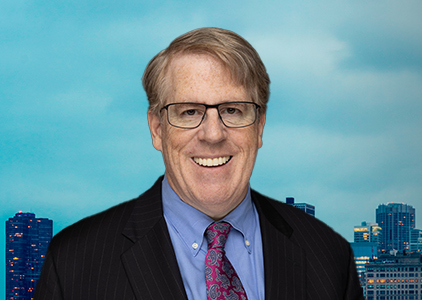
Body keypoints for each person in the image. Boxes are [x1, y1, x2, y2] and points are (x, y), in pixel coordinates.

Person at [35, 27, 363, 300]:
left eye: (233, 110)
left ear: (259, 126)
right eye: (189, 112)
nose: (212, 134)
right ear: (157, 129)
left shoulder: (328, 256)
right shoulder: (75, 264)